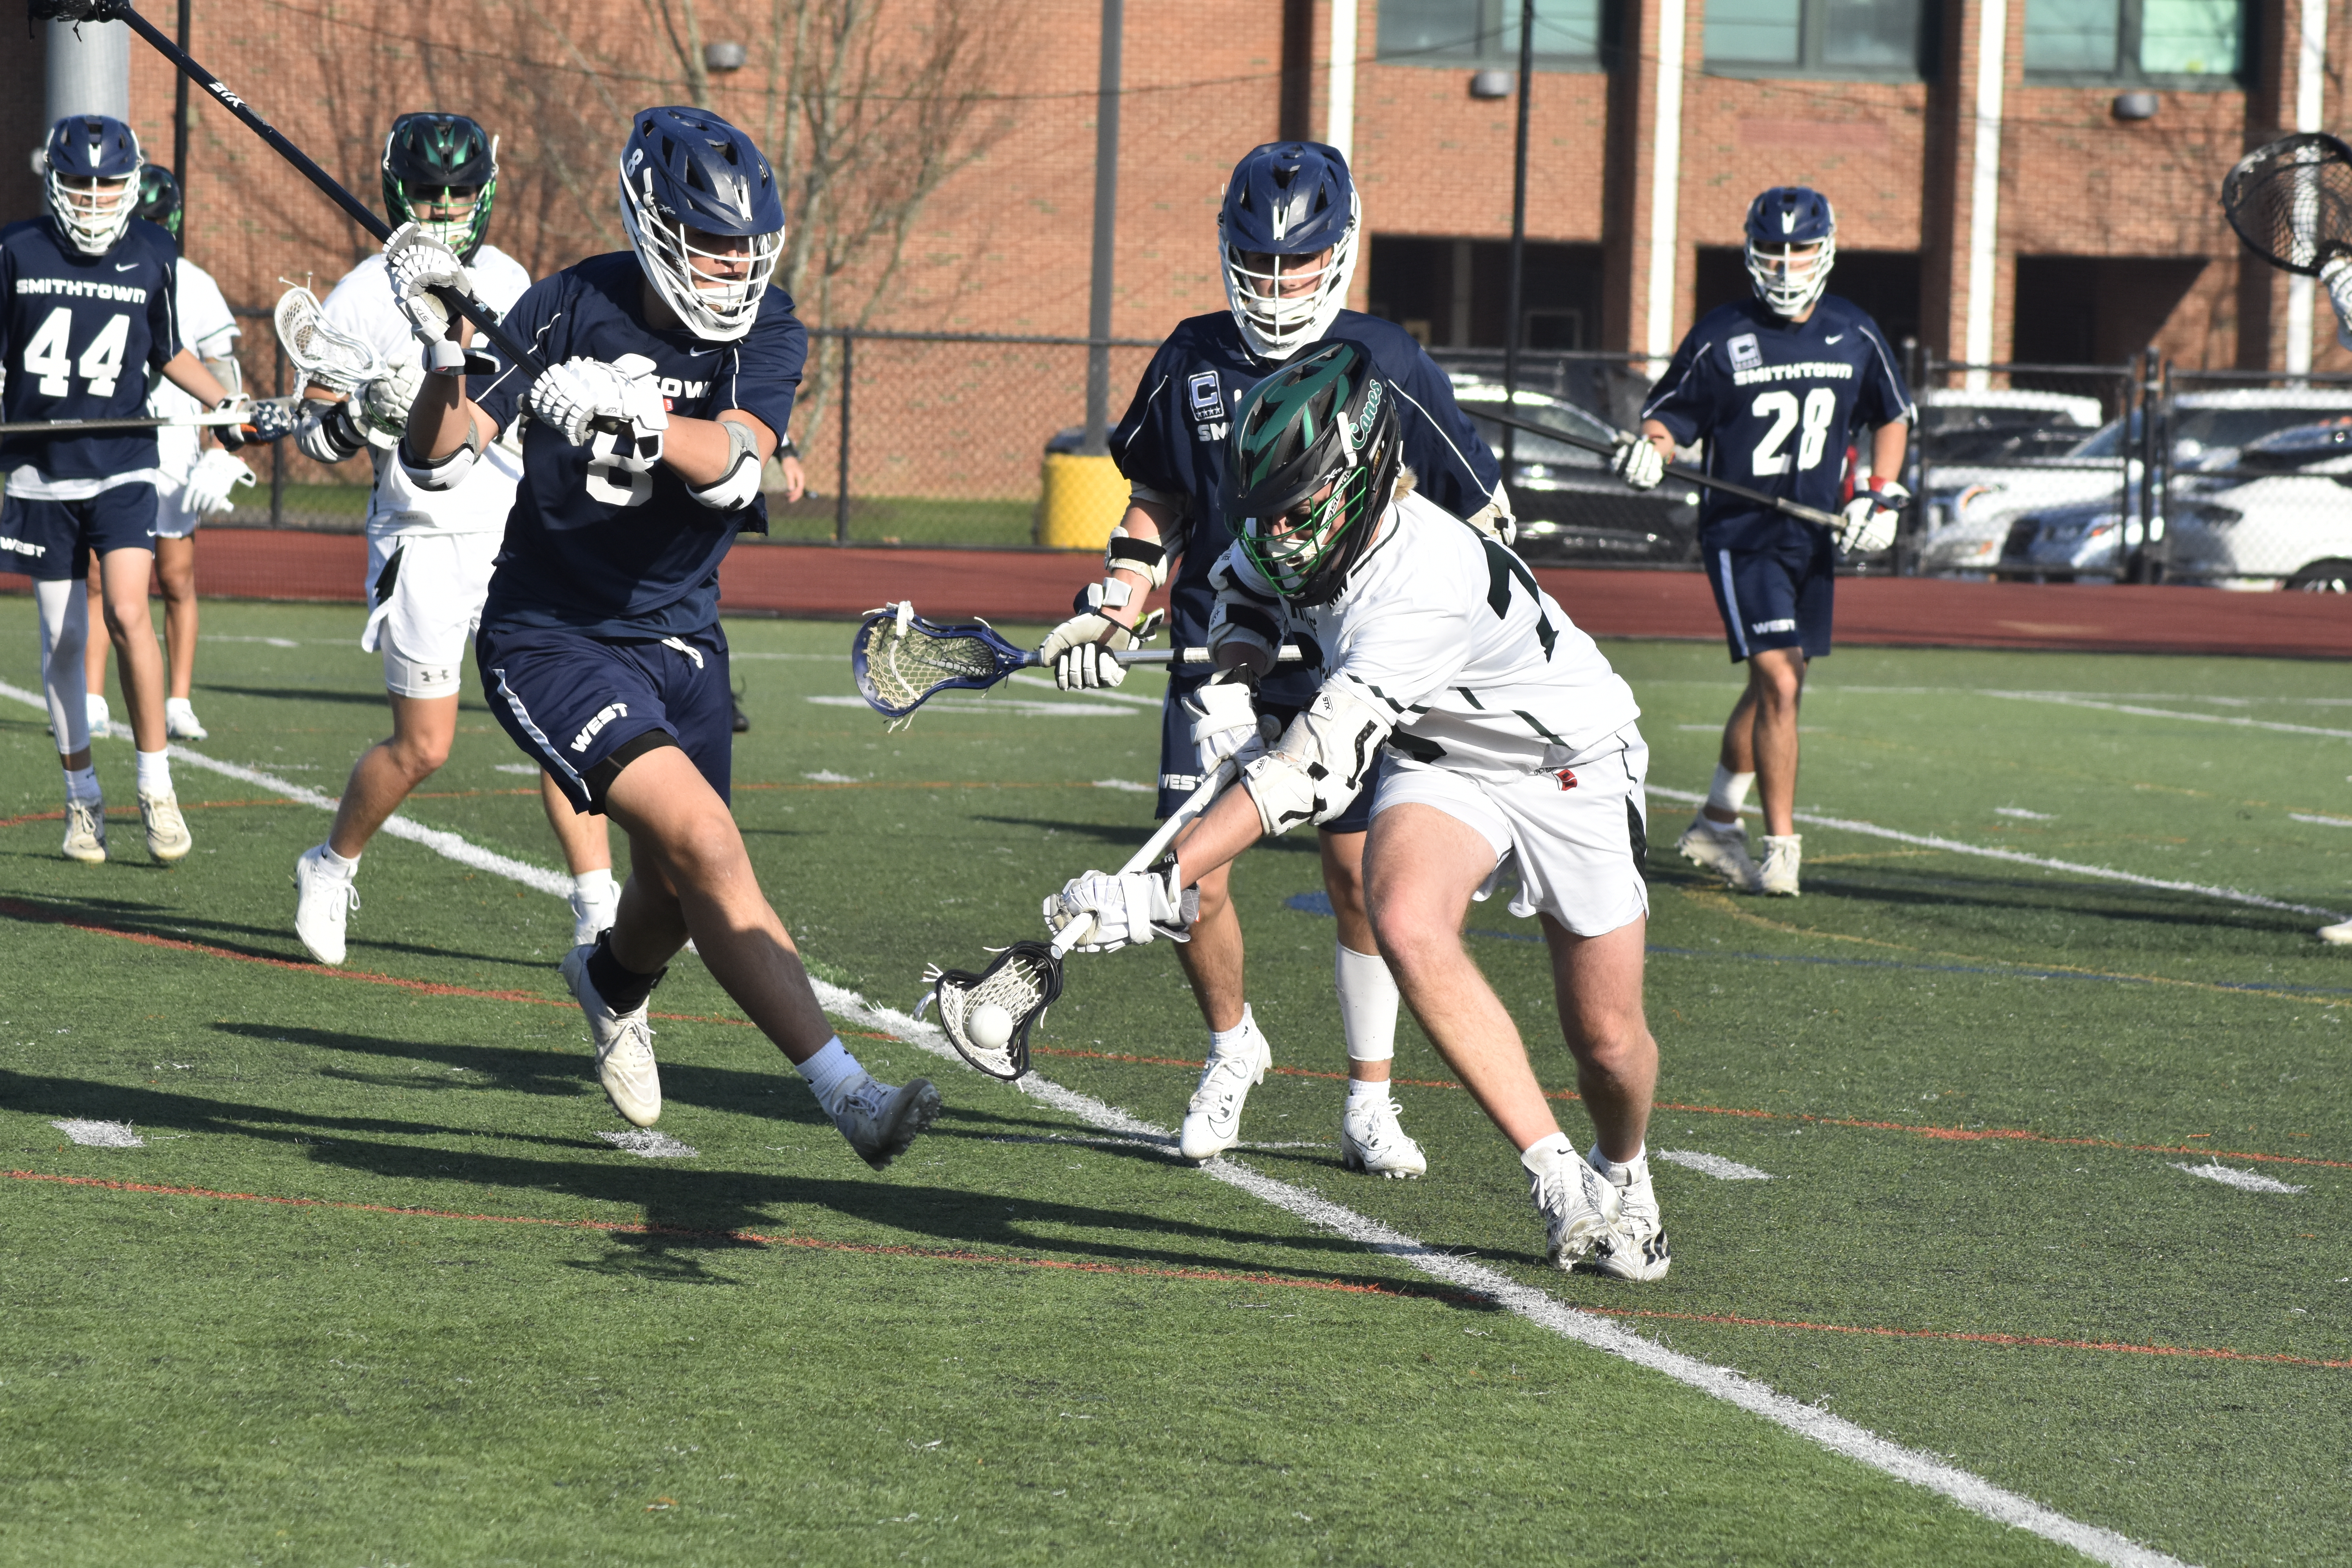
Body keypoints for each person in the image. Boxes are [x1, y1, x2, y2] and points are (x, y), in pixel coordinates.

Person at [1044, 340, 1668, 1278]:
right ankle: (1559, 1182)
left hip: (1568, 760)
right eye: (1269, 509)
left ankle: (1624, 1166)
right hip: (1445, 753)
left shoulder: (1422, 584)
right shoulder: (1291, 528)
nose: (1280, 530)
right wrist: (1232, 667)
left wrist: (1158, 882)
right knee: (1407, 919)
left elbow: (1309, 774)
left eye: (1298, 507)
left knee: (1608, 1045)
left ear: (1359, 474)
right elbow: (1242, 592)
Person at [395, 104, 938, 1167]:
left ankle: (606, 981)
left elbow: (739, 460)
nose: (732, 268)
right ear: (652, 224)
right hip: (552, 635)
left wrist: (640, 419)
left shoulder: (769, 329)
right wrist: (444, 363)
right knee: (707, 842)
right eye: (712, 243)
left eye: (747, 245)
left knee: (678, 893)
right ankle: (849, 1095)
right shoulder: (563, 305)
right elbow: (438, 459)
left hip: (684, 638)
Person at [1033, 142, 1507, 1176]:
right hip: (1222, 644)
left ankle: (1369, 1101)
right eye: (1260, 267)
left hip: (1350, 656)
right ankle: (1230, 1048)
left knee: (1359, 878)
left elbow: (1479, 504)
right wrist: (1118, 606)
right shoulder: (1193, 356)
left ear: (1339, 254)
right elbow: (1156, 497)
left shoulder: (1389, 357)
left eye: (1298, 267)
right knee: (1190, 881)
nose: (1279, 288)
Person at [287, 113, 618, 964]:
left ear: (486, 190)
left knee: (565, 728)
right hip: (423, 535)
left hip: (515, 531)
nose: (442, 209)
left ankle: (597, 907)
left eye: (459, 192)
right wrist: (365, 413)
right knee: (424, 746)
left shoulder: (507, 277)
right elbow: (314, 436)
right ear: (397, 188)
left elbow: (535, 391)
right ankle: (329, 865)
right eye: (429, 193)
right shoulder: (363, 294)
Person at [1614, 186, 1913, 898]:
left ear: (1826, 249)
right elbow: (1670, 419)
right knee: (1780, 680)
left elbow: (1893, 414)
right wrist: (1652, 450)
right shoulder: (1722, 334)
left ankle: (1718, 820)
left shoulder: (1853, 330)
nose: (1785, 265)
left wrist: (1881, 490)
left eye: (1799, 249)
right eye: (1772, 251)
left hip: (1813, 537)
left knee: (1779, 681)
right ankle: (1782, 846)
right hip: (1743, 534)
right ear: (1751, 252)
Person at [2, 115, 264, 864]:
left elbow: (168, 347)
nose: (91, 198)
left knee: (126, 611)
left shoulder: (154, 249)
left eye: (107, 182)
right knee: (61, 637)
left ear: (132, 182)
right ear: (53, 180)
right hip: (40, 469)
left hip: (123, 459)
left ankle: (157, 784)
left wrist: (226, 407)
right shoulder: (16, 250)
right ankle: (82, 799)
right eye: (78, 183)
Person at [82, 165, 252, 744]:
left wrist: (222, 446)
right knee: (101, 577)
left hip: (176, 446)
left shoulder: (196, 283)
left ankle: (178, 700)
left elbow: (223, 372)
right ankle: (91, 696)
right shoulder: (104, 270)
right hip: (115, 439)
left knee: (176, 577)